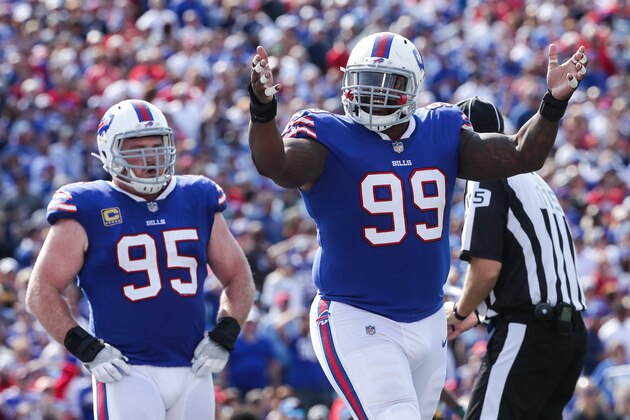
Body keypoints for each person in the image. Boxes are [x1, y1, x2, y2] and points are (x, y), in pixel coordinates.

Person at [247, 31, 588, 419]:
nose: (372, 92)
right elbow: (274, 164)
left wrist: (553, 103)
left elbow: (521, 154)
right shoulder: (328, 136)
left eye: (386, 82)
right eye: (365, 79)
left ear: (412, 87)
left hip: (428, 320)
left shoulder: (439, 129)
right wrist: (262, 111)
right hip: (357, 315)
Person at [25, 99, 256, 419]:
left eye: (157, 145)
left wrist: (225, 333)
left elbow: (238, 276)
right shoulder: (86, 205)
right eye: (136, 147)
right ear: (109, 151)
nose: (150, 156)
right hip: (126, 370)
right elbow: (42, 289)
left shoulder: (197, 196)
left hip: (194, 368)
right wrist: (85, 347)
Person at [446, 96, 588, 419]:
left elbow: (486, 269)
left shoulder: (486, 173)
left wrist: (459, 311)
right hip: (570, 334)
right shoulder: (536, 181)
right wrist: (477, 313)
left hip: (529, 331)